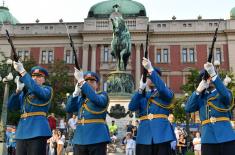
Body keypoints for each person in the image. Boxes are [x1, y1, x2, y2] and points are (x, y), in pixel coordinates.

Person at [185, 62, 235, 155]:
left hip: (226, 136)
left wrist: (214, 75)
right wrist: (198, 91)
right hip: (208, 138)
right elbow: (188, 108)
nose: (210, 79)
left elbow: (226, 97)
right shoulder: (200, 97)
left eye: (211, 75)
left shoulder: (225, 91)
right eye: (207, 77)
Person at [128, 57, 176, 155]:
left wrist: (150, 70)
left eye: (155, 77)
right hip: (144, 136)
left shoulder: (165, 92)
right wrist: (141, 88)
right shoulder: (141, 95)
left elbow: (163, 90)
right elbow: (131, 107)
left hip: (162, 135)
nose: (152, 79)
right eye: (149, 77)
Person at [8, 63, 53, 155]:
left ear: (44, 79)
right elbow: (11, 107)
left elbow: (37, 90)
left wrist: (23, 72)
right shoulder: (25, 93)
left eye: (39, 76)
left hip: (37, 131)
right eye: (33, 76)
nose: (35, 78)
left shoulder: (47, 90)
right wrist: (18, 91)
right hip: (22, 131)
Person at [66, 68, 110, 155]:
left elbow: (96, 99)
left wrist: (82, 82)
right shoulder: (80, 99)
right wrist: (75, 93)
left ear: (97, 85)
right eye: (87, 81)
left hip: (97, 138)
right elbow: (69, 108)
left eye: (92, 81)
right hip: (80, 138)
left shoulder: (102, 95)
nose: (89, 83)